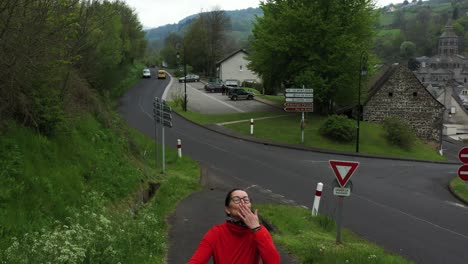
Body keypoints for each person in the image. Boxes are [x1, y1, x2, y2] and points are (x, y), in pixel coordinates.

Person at [188, 188, 280, 264]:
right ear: (228, 209)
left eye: (246, 200)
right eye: (236, 200)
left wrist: (256, 228)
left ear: (250, 206)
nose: (242, 203)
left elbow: (273, 262)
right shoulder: (216, 232)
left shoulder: (259, 231)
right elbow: (196, 261)